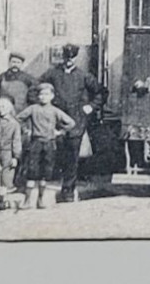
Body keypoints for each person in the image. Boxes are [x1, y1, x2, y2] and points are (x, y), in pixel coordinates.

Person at [38, 44, 103, 203]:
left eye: (71, 57)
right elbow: (36, 88)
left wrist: (91, 107)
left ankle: (68, 191)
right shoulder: (52, 74)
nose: (68, 61)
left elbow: (101, 92)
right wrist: (44, 105)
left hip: (76, 121)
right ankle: (45, 190)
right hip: (56, 120)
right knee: (55, 154)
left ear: (76, 57)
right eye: (66, 57)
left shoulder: (83, 76)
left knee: (72, 156)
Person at [18, 83, 75, 210]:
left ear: (52, 96)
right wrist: (26, 130)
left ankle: (41, 199)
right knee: (32, 172)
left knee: (46, 172)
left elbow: (71, 123)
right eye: (41, 94)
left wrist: (60, 132)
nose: (43, 97)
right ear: (38, 96)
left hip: (49, 144)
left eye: (47, 94)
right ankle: (28, 201)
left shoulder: (55, 110)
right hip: (35, 143)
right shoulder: (33, 108)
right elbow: (19, 118)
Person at [0, 96, 23, 210]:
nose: (1, 109)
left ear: (9, 108)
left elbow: (16, 141)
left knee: (5, 177)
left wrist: (16, 157)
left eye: (4, 106)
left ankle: (1, 200)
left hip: (7, 152)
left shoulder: (14, 124)